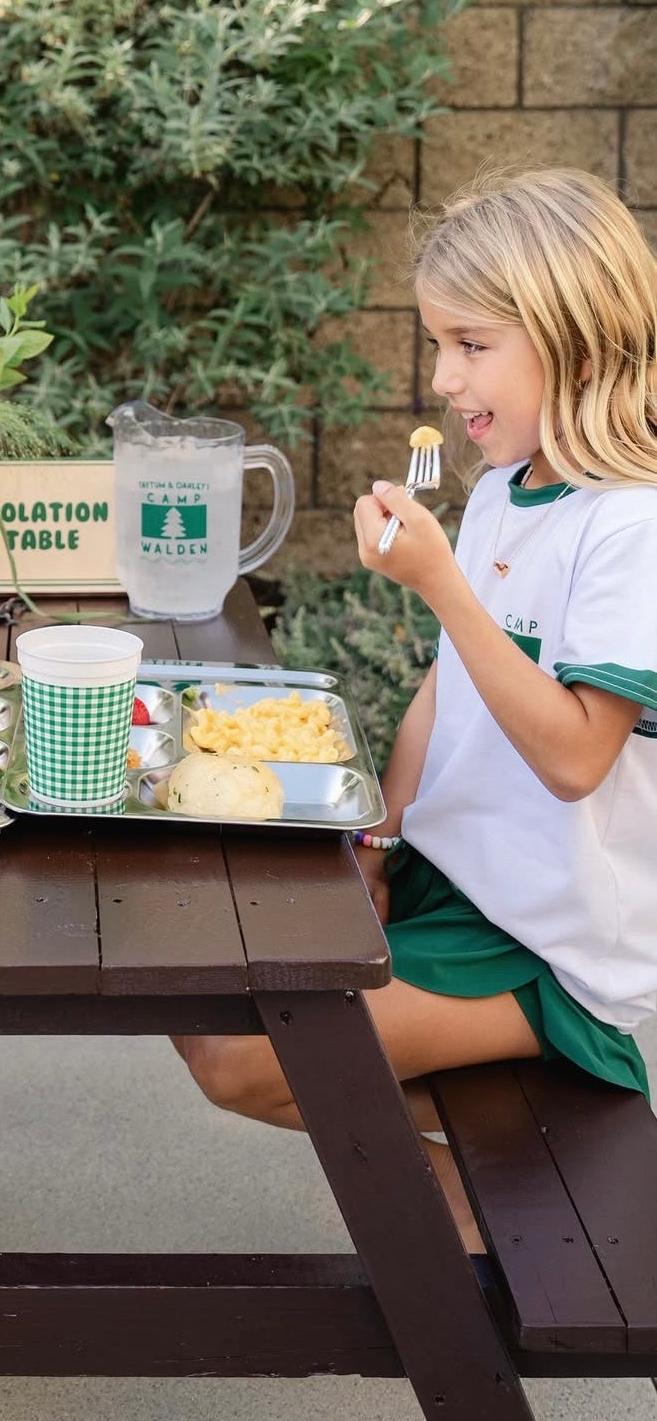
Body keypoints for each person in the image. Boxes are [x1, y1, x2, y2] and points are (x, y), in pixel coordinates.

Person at [174, 167, 657, 1249]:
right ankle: (497, 1187)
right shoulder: (505, 487)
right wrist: (379, 844)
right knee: (195, 970)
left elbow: (579, 757)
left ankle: (480, 1241)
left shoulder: (633, 529)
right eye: (438, 342)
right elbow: (444, 695)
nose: (443, 377)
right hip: (452, 886)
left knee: (238, 1053)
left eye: (471, 343)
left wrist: (442, 581)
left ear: (574, 336)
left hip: (541, 947)